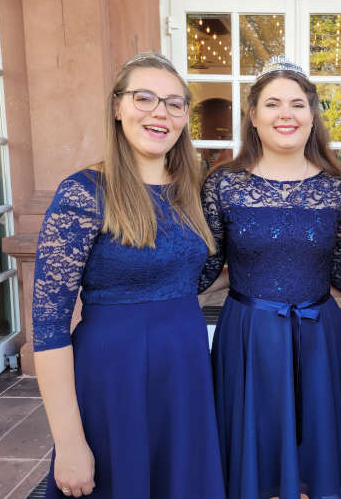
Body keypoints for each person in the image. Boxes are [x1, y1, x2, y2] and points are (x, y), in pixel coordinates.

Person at [32, 52, 226, 498]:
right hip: (113, 373)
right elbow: (48, 328)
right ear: (117, 107)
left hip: (185, 368)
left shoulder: (192, 191)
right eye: (145, 98)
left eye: (175, 103)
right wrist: (68, 443)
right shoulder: (83, 193)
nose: (160, 112)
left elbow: (191, 278)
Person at [199, 57, 341, 499]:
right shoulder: (222, 184)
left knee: (313, 456)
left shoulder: (337, 187)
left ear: (312, 115)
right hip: (248, 337)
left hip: (317, 338)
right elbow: (207, 268)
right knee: (253, 452)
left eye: (297, 103)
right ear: (253, 116)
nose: (285, 114)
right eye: (272, 103)